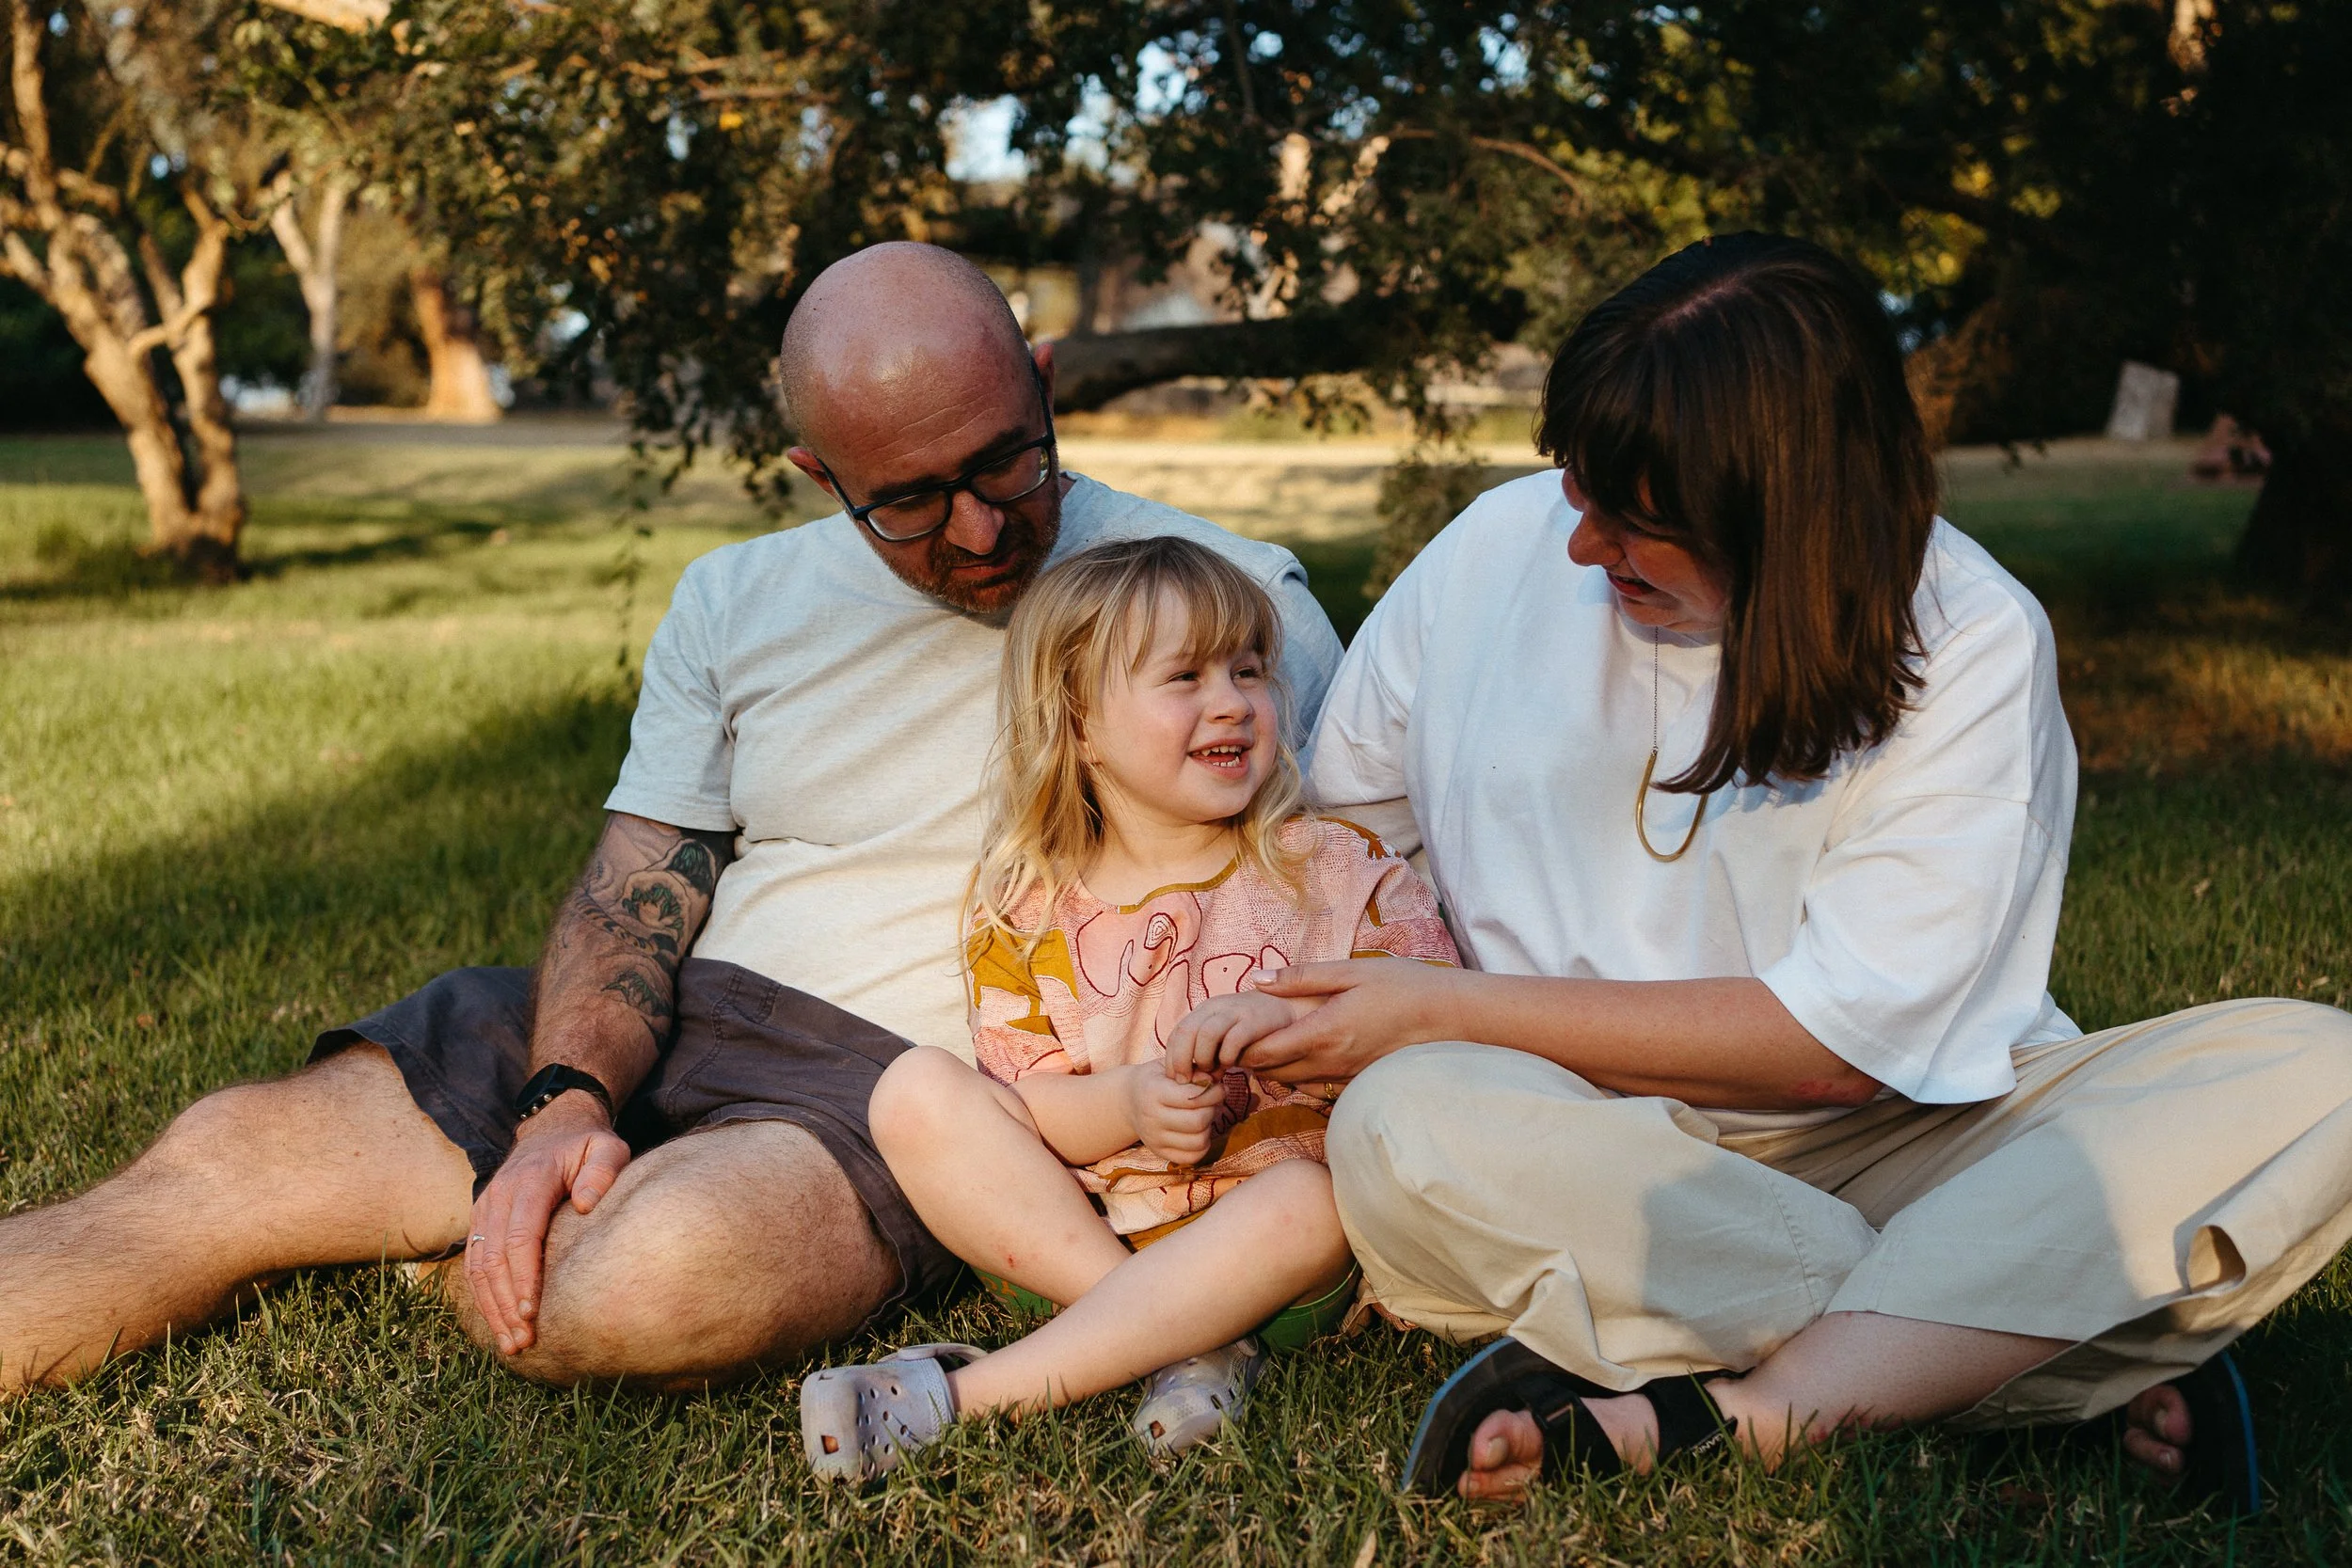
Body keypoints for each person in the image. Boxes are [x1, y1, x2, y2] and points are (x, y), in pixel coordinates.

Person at [0, 244, 1342, 1396]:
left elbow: (1335, 881)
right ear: (821, 471)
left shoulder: (1232, 605)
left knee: (629, 1284)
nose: (984, 529)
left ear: (1045, 382)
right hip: (683, 1007)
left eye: (1008, 461)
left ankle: (475, 1236)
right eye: (912, 503)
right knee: (215, 1167)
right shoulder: (735, 596)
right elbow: (641, 875)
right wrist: (564, 1101)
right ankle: (485, 1192)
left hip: (898, 1091)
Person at [1227, 232, 2352, 1514]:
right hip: (1579, 1134)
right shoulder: (1495, 548)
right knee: (1403, 1126)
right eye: (1578, 492)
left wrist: (1444, 1006)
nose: (1584, 546)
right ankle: (2029, 1350)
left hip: (1918, 1132)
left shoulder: (1969, 635)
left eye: (1640, 522)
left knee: (2317, 1070)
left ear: (1795, 516)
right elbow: (1350, 837)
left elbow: (1842, 1049)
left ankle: (1746, 1407)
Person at [799, 537, 1456, 1480]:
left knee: (1308, 1200)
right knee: (912, 1088)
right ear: (1078, 726)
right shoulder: (1026, 910)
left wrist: (1296, 1044)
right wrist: (1136, 1100)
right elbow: (1027, 1107)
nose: (1231, 699)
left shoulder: (1339, 868)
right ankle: (1179, 1341)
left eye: (1250, 668)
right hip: (1082, 1238)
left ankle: (966, 1395)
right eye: (1183, 676)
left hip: (1283, 1256)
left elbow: (1436, 1044)